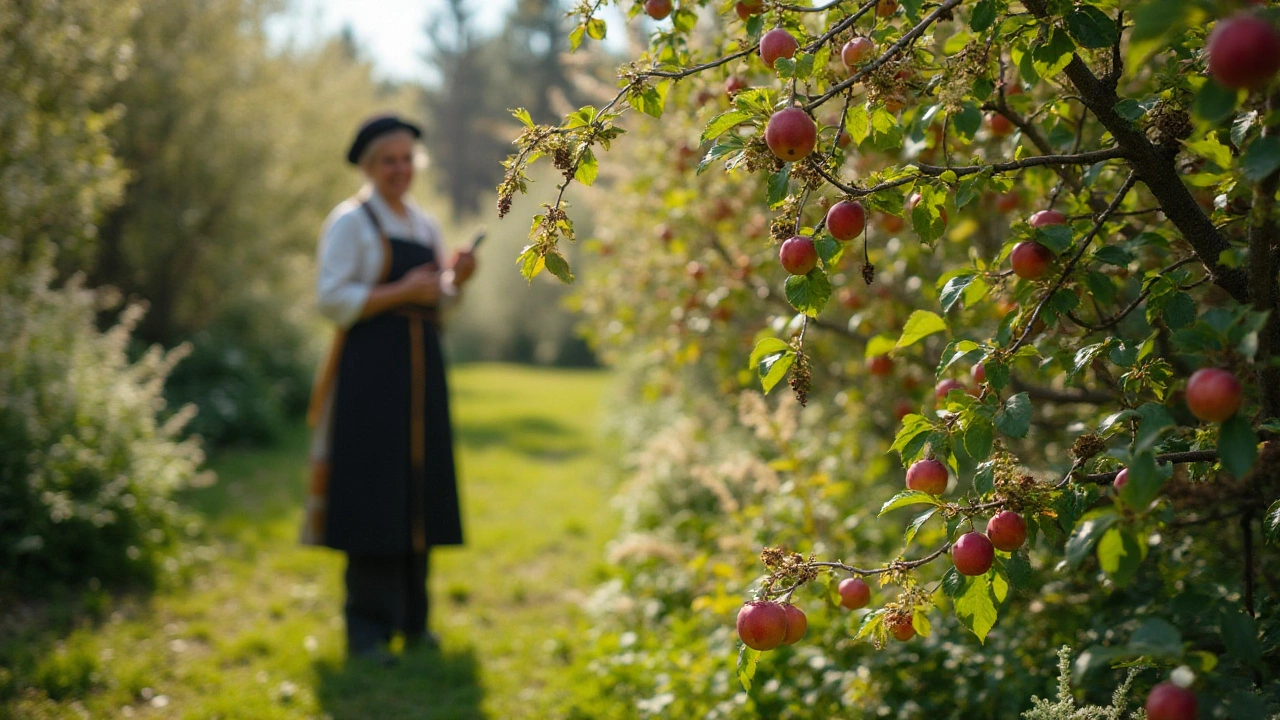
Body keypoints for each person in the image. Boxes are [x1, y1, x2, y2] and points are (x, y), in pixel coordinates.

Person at [302, 114, 477, 664]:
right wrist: (400, 289)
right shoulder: (350, 223)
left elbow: (438, 300)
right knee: (374, 489)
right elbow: (331, 298)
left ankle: (413, 623)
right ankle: (368, 632)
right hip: (370, 374)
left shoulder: (424, 225)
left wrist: (456, 283)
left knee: (416, 486)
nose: (399, 170)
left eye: (406, 159)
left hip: (422, 372)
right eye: (388, 161)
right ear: (368, 166)